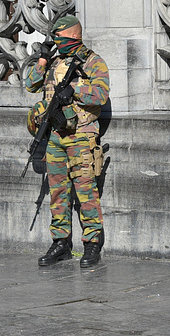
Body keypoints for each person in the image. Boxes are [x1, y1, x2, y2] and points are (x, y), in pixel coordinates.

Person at [26, 15, 109, 268]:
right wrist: (42, 59)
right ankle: (61, 242)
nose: (55, 43)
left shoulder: (94, 62)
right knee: (58, 192)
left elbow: (101, 95)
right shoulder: (54, 61)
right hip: (55, 136)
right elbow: (30, 85)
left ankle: (92, 243)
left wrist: (75, 91)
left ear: (73, 37)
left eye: (58, 38)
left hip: (81, 136)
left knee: (86, 191)